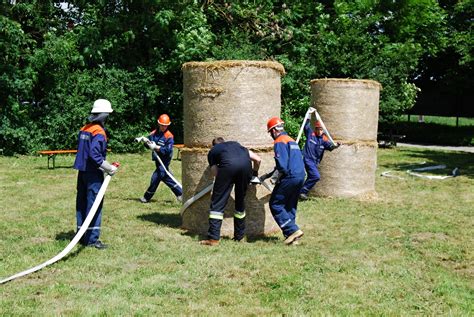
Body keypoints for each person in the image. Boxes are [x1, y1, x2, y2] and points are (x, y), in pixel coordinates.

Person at [199, 137, 262, 246]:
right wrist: (254, 174)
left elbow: (215, 172)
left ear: (213, 145)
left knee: (218, 203)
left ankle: (213, 239)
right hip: (246, 167)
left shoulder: (213, 151)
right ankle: (239, 236)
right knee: (240, 202)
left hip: (228, 167)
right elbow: (258, 159)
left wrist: (224, 181)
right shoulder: (238, 145)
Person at [73, 99, 118, 249]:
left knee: (82, 203)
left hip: (82, 172)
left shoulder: (85, 128)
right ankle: (92, 239)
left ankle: (81, 235)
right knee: (94, 204)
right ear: (104, 115)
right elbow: (94, 154)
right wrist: (108, 167)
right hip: (93, 173)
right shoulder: (99, 132)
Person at [263, 116, 305, 245]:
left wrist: (275, 178)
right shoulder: (291, 140)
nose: (271, 135)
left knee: (275, 203)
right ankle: (293, 238)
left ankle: (292, 230)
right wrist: (268, 175)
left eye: (270, 132)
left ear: (274, 130)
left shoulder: (279, 141)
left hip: (290, 176)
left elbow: (282, 166)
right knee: (290, 205)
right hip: (300, 176)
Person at [140, 114, 183, 203]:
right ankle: (181, 194)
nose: (164, 127)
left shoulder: (169, 136)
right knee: (165, 177)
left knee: (155, 178)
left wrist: (157, 147)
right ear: (159, 124)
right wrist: (145, 141)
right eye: (162, 125)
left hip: (165, 160)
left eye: (166, 126)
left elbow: (168, 150)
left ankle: (146, 197)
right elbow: (148, 144)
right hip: (157, 159)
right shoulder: (153, 133)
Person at [299, 108, 339, 201]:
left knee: (310, 177)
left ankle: (300, 192)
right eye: (318, 129)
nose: (319, 131)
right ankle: (302, 191)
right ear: (315, 129)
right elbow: (306, 124)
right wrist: (309, 114)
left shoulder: (324, 140)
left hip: (314, 162)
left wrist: (336, 146)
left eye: (321, 129)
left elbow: (330, 147)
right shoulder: (310, 134)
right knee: (316, 176)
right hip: (306, 159)